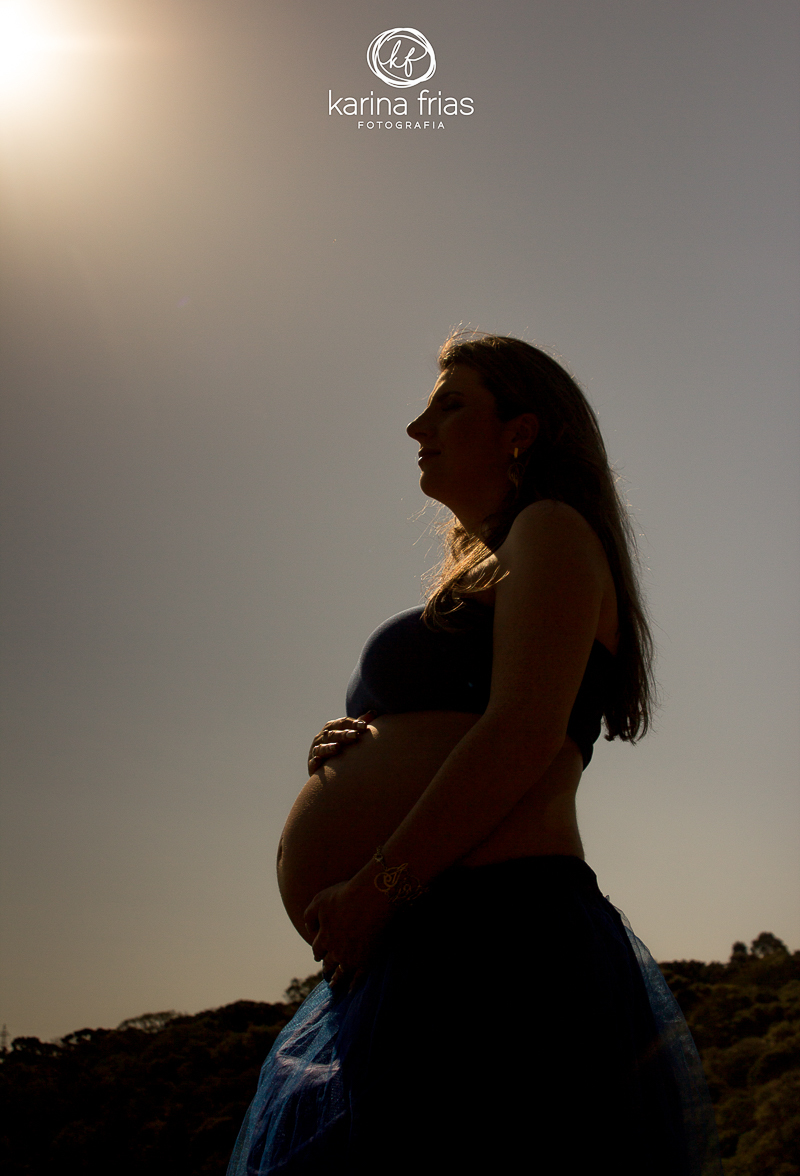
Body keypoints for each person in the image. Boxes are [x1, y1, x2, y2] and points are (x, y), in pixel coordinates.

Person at [227, 334, 721, 1176]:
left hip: (498, 941)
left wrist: (377, 886)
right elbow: (465, 721)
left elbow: (523, 732)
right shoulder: (496, 566)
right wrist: (357, 742)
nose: (418, 425)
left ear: (522, 429)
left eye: (450, 402)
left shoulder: (553, 527)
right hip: (423, 940)